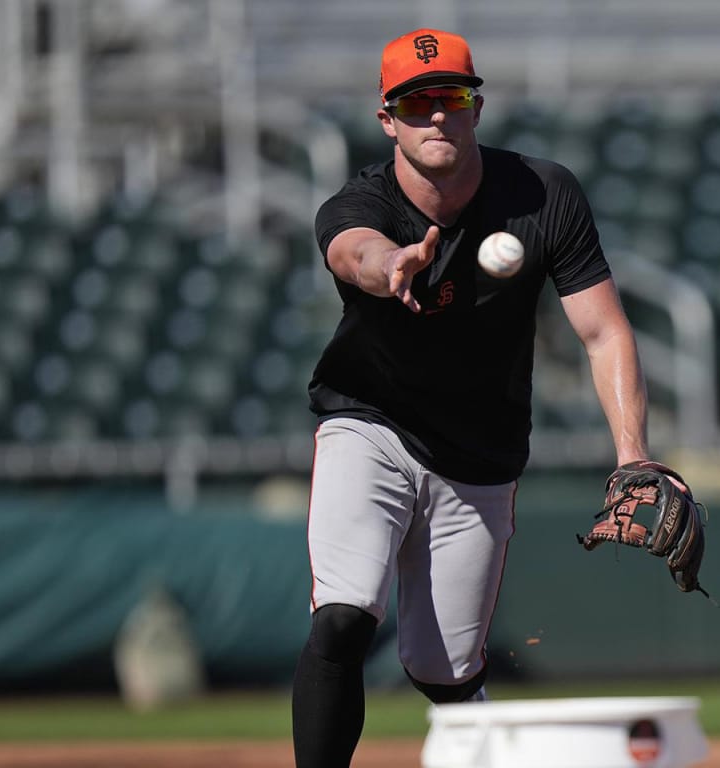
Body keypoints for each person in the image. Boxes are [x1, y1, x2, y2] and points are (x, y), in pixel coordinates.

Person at [290, 28, 655, 768]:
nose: (435, 115)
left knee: (444, 672)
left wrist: (633, 457)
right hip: (371, 422)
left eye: (450, 98)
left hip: (480, 452)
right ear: (387, 120)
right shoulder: (362, 201)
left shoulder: (543, 194)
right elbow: (351, 250)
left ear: (476, 108)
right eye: (414, 103)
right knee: (344, 618)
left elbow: (604, 332)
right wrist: (391, 263)